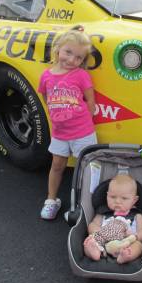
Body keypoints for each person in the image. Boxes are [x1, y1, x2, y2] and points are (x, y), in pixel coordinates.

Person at [38, 27, 97, 220]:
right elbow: (46, 98)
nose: (72, 60)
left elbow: (90, 101)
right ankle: (51, 200)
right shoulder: (46, 76)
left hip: (82, 132)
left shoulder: (81, 75)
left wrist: (83, 122)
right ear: (58, 49)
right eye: (68, 52)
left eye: (78, 57)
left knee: (86, 168)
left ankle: (85, 204)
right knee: (56, 166)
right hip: (60, 133)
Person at [83, 174, 142, 264]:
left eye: (124, 198)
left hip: (126, 242)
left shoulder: (137, 215)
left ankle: (126, 255)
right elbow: (92, 225)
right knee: (91, 239)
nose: (117, 201)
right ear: (107, 196)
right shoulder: (103, 212)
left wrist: (135, 236)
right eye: (113, 197)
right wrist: (99, 231)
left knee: (139, 245)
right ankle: (94, 251)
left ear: (134, 200)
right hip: (104, 240)